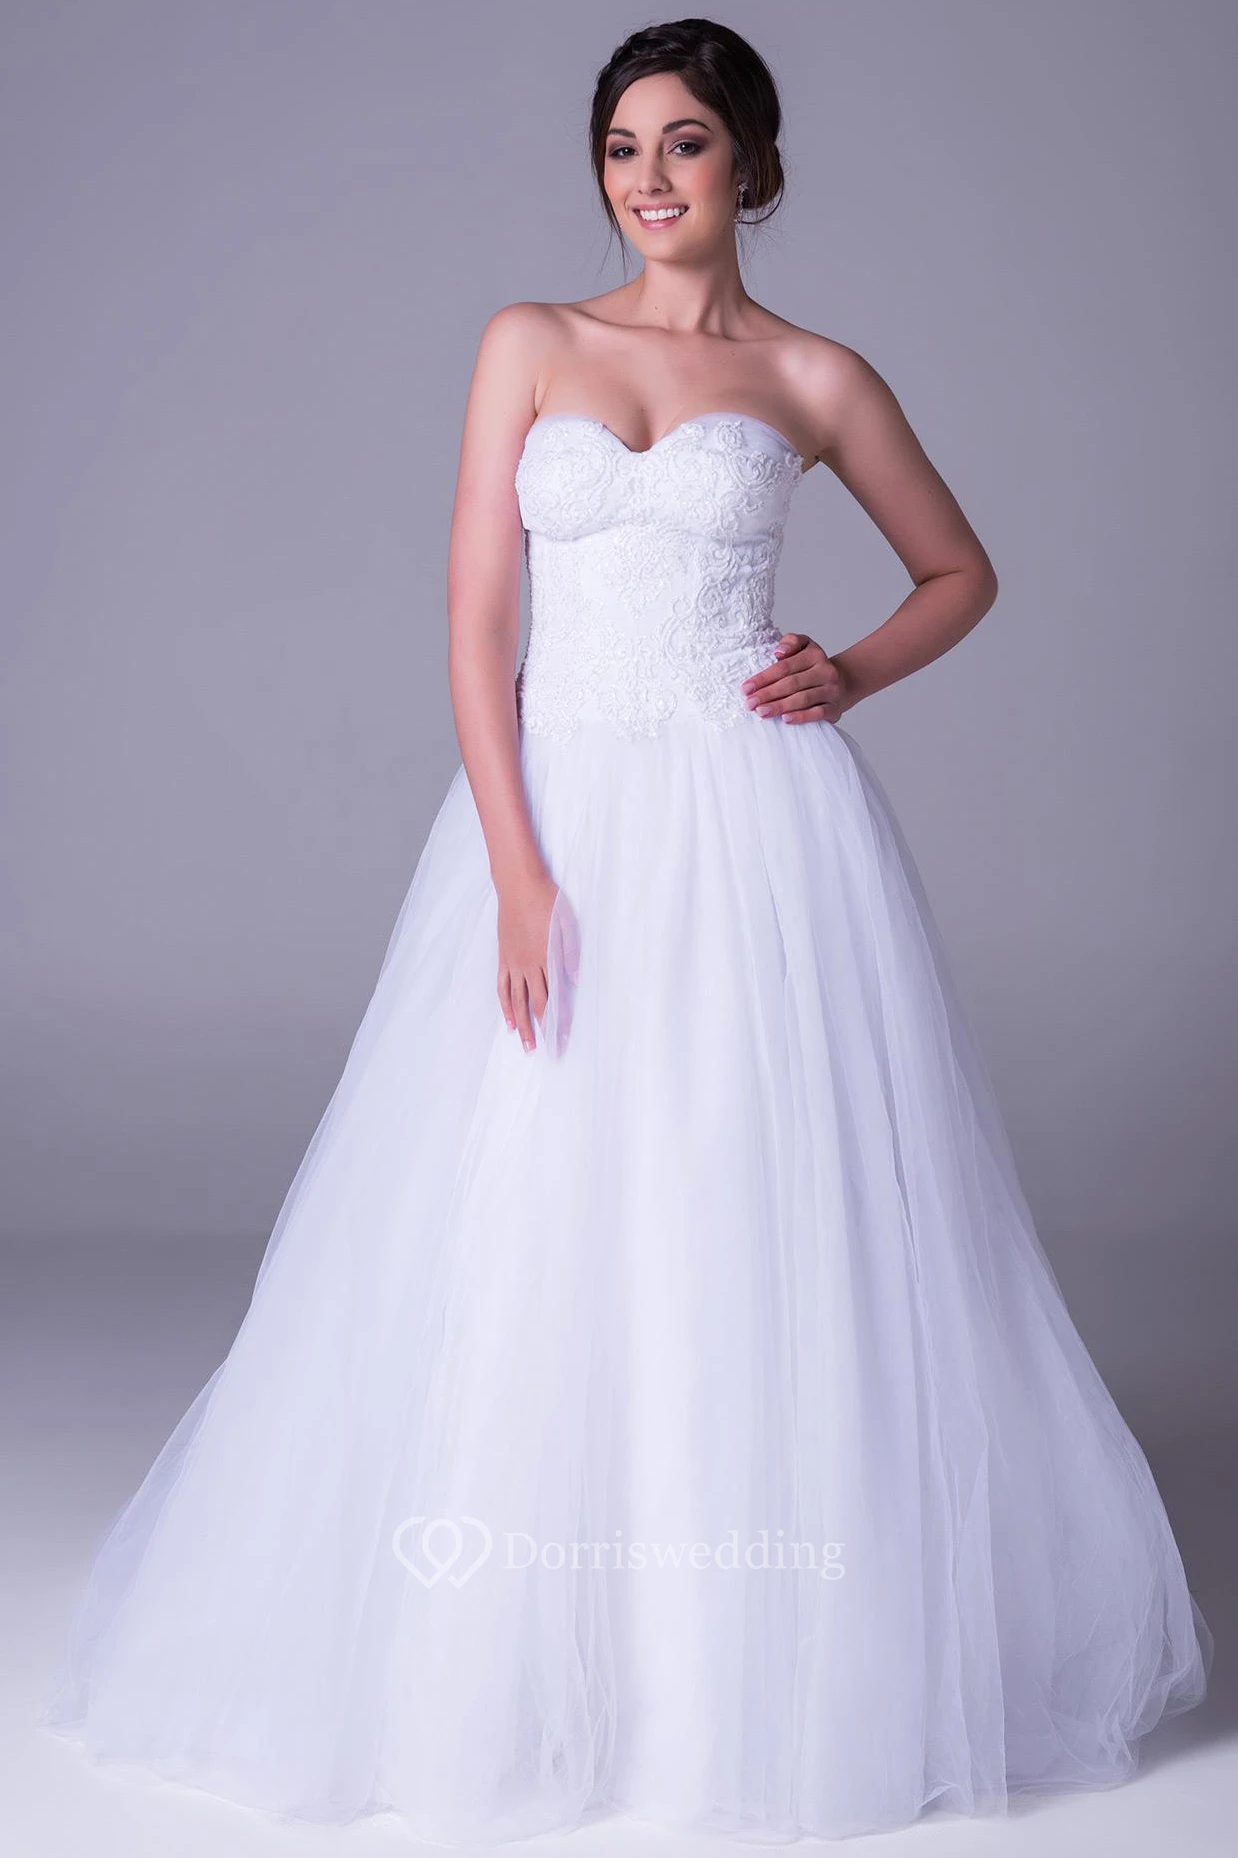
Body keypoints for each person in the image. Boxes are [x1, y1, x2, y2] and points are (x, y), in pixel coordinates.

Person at [40, 17, 1211, 1847]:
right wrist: (519, 870)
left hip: (760, 829)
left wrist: (849, 671)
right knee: (536, 1202)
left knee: (731, 1201)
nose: (647, 180)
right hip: (562, 817)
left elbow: (959, 569)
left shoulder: (815, 374)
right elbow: (473, 621)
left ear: (751, 159)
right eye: (618, 148)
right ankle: (506, 1655)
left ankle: (738, 1664)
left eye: (682, 143)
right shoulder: (528, 342)